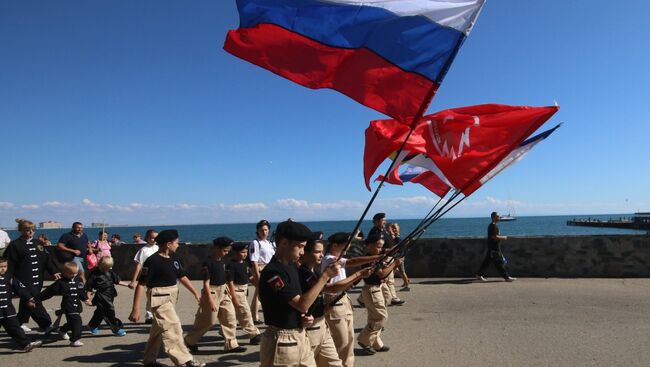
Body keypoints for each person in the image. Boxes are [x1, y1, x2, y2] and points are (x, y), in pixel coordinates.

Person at [258, 220, 340, 367]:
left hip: (299, 334)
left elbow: (292, 305)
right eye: (300, 246)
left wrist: (302, 318)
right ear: (284, 243)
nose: (303, 251)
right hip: (282, 339)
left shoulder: (292, 267)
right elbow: (301, 304)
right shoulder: (273, 272)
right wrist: (325, 276)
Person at [128, 229, 206, 367]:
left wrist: (195, 293)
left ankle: (149, 360)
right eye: (176, 243)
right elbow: (141, 285)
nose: (178, 245)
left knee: (159, 328)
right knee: (173, 326)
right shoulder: (152, 261)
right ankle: (185, 360)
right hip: (158, 297)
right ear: (168, 244)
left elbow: (182, 277)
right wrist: (135, 309)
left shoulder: (174, 258)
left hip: (171, 295)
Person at [319, 232, 381, 367]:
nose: (349, 246)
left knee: (349, 339)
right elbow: (351, 265)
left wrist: (376, 258)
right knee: (341, 341)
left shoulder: (336, 258)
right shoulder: (329, 259)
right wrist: (362, 272)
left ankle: (348, 364)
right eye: (346, 244)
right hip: (333, 300)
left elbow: (352, 262)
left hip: (343, 299)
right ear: (335, 245)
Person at [185, 236, 246, 353]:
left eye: (228, 250)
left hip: (224, 291)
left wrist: (231, 295)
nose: (227, 253)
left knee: (230, 318)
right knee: (209, 321)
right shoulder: (208, 263)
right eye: (225, 250)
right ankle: (189, 340)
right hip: (212, 292)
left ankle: (231, 344)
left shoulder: (222, 262)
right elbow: (206, 284)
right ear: (217, 248)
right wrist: (211, 301)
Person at [5, 218, 60, 333]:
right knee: (34, 300)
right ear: (20, 230)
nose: (31, 232)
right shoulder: (15, 245)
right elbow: (9, 264)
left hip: (38, 279)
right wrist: (8, 280)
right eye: (27, 230)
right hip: (23, 279)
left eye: (33, 230)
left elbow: (47, 259)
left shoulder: (38, 243)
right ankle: (46, 325)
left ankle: (19, 322)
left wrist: (54, 271)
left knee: (27, 301)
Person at [299, 237, 344, 367]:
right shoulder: (301, 273)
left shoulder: (313, 272)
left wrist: (323, 308)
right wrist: (358, 275)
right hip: (310, 328)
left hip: (322, 325)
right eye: (317, 252)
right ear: (304, 253)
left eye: (322, 251)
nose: (322, 255)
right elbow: (303, 302)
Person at [357, 232, 402, 355]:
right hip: (372, 290)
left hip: (375, 289)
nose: (380, 249)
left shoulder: (374, 258)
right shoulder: (369, 260)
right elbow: (381, 273)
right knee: (381, 317)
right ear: (369, 246)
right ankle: (364, 340)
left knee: (374, 317)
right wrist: (394, 264)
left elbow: (382, 271)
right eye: (378, 246)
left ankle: (376, 344)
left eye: (381, 246)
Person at [40, 261, 92, 347]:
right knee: (77, 322)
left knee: (72, 322)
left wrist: (86, 299)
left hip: (77, 306)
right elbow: (49, 291)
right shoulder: (61, 282)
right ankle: (75, 340)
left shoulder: (78, 280)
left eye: (76, 273)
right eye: (72, 273)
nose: (74, 275)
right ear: (65, 273)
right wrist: (37, 299)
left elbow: (81, 292)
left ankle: (62, 330)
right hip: (68, 306)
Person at [0, 257, 43, 352]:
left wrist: (29, 298)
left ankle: (26, 344)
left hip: (8, 310)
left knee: (15, 328)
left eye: (5, 266)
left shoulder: (9, 277)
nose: (3, 268)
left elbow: (20, 289)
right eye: (1, 267)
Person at [226, 242, 261, 345]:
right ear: (236, 253)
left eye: (246, 252)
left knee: (236, 314)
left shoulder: (245, 263)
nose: (245, 254)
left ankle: (224, 332)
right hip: (236, 291)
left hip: (244, 290)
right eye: (243, 252)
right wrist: (234, 297)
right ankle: (253, 334)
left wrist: (258, 286)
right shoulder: (231, 265)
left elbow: (249, 277)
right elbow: (230, 282)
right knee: (246, 313)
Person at [368, 213, 405, 306]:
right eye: (383, 220)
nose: (385, 222)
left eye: (385, 220)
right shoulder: (374, 232)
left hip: (389, 256)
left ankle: (362, 299)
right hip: (383, 257)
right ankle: (393, 298)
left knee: (387, 279)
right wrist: (386, 250)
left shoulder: (383, 230)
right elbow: (372, 247)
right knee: (388, 279)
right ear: (376, 221)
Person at [85, 256, 128, 336]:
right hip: (101, 295)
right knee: (109, 312)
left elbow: (117, 281)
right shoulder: (94, 274)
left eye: (108, 268)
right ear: (99, 264)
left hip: (110, 294)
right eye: (104, 268)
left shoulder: (110, 272)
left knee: (100, 312)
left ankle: (92, 325)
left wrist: (128, 285)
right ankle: (116, 329)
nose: (106, 270)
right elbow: (89, 287)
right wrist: (87, 299)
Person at [476, 212, 516, 282]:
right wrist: (504, 237)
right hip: (494, 248)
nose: (499, 217)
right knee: (499, 263)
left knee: (488, 262)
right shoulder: (492, 226)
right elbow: (494, 237)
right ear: (493, 217)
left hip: (493, 247)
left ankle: (479, 275)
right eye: (498, 216)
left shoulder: (493, 225)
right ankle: (506, 277)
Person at [128, 229, 158, 323]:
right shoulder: (143, 250)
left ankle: (155, 314)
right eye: (151, 237)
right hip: (148, 276)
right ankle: (149, 316)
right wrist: (133, 280)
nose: (153, 240)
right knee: (150, 295)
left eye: (155, 238)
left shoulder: (159, 248)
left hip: (159, 275)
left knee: (157, 295)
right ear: (147, 238)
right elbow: (138, 265)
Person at [249, 219, 275, 324]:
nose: (264, 232)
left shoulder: (269, 243)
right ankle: (254, 317)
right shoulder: (255, 243)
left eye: (266, 230)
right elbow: (254, 260)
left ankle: (253, 316)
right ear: (258, 231)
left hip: (269, 269)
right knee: (260, 293)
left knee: (260, 293)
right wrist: (257, 276)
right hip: (261, 268)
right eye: (262, 230)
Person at [387, 222, 410, 291]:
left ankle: (407, 285)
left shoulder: (397, 238)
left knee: (401, 271)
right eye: (393, 228)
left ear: (398, 229)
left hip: (399, 257)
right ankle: (405, 281)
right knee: (396, 270)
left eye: (395, 228)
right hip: (399, 256)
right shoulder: (398, 237)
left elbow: (397, 248)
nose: (394, 229)